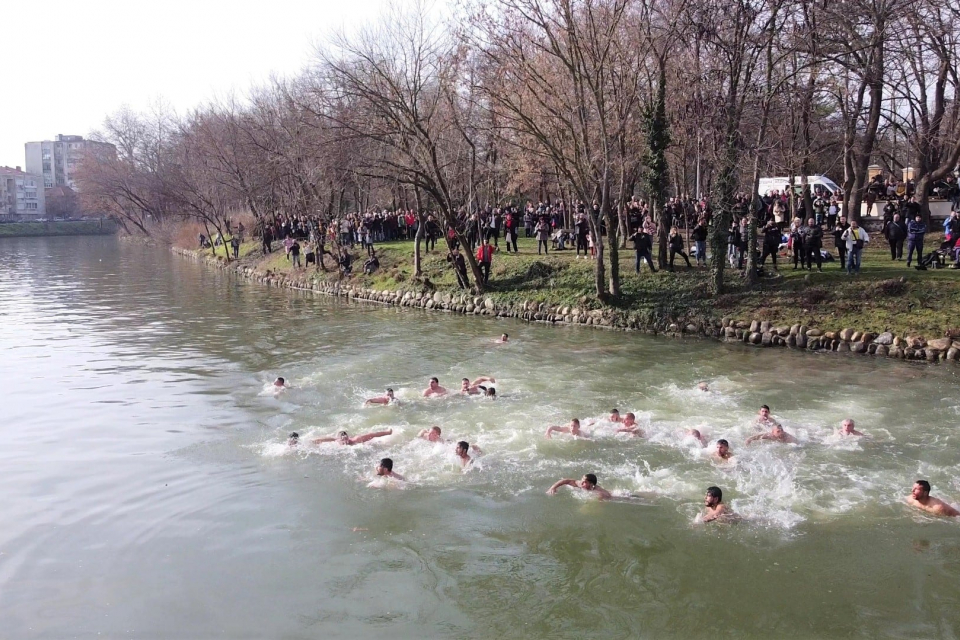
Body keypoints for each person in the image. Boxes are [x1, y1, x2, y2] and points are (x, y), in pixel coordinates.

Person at [546, 474, 612, 501]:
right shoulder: (580, 483)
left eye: (585, 482)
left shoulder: (598, 491)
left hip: (613, 495)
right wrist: (553, 487)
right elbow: (565, 481)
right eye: (582, 480)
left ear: (591, 484)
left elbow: (606, 496)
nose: (581, 483)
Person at [313, 429, 393, 445]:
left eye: (346, 439)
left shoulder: (356, 439)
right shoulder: (336, 441)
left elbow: (372, 434)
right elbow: (321, 440)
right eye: (343, 440)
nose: (346, 442)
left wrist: (387, 432)